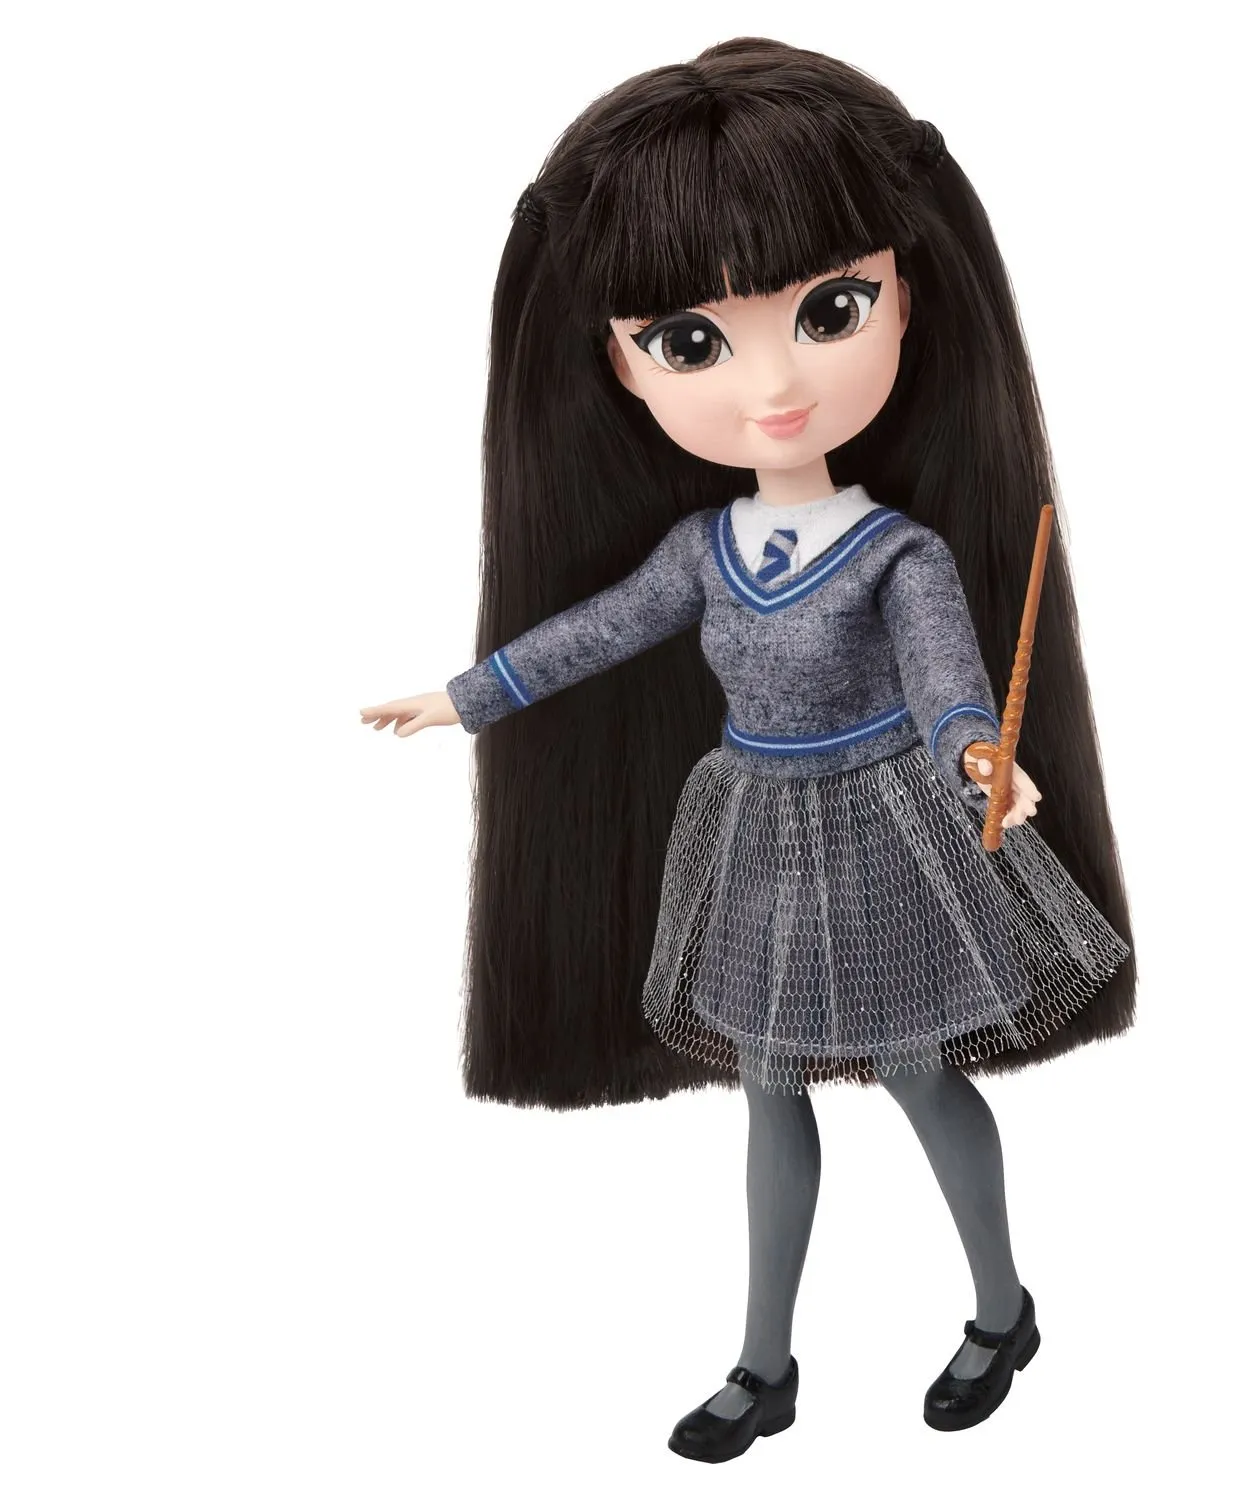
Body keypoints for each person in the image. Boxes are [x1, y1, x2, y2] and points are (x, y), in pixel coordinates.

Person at [360, 36, 1134, 1463]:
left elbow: (949, 681)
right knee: (767, 1086)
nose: (772, 382)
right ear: (619, 361)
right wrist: (469, 695)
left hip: (886, 830)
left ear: (908, 297)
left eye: (830, 310)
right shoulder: (703, 548)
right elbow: (600, 630)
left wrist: (980, 753)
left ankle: (1001, 1308)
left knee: (914, 1070)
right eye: (692, 342)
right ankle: (763, 1362)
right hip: (759, 831)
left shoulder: (895, 551)